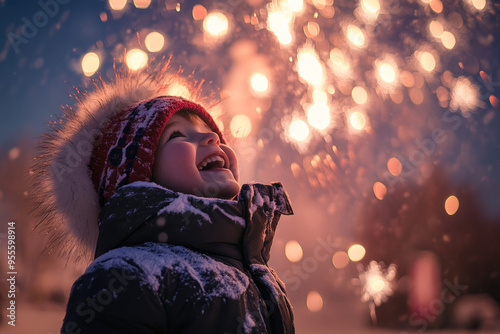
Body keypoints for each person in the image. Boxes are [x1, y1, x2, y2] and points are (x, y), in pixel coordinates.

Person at [30, 67, 295, 334]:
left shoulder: (260, 274)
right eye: (177, 135)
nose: (213, 137)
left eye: (210, 132)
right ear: (141, 177)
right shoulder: (124, 276)